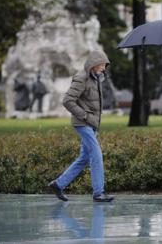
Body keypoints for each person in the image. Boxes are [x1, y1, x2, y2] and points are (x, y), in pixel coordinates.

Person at [48, 50, 114, 202]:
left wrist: (93, 121)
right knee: (96, 154)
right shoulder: (81, 78)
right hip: (82, 123)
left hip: (91, 124)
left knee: (85, 157)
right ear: (94, 63)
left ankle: (58, 184)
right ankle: (99, 193)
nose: (104, 68)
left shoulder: (96, 78)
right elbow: (67, 100)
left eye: (105, 65)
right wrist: (84, 115)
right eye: (102, 64)